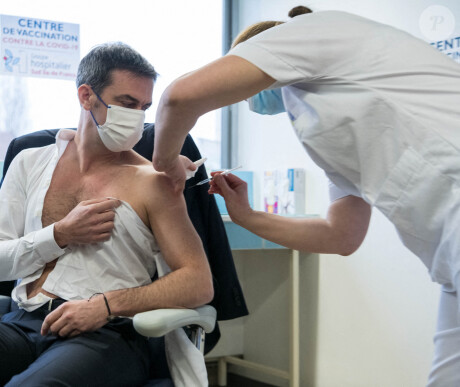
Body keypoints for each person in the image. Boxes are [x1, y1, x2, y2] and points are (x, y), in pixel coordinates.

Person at [152, 5, 460, 386]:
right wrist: (246, 215)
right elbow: (341, 235)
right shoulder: (324, 120)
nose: (245, 100)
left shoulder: (315, 31)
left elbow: (178, 99)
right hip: (448, 261)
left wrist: (164, 166)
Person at [0, 42, 213, 386]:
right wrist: (60, 235)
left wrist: (105, 305)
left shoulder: (154, 182)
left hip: (104, 336)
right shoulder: (30, 162)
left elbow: (198, 282)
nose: (138, 119)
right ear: (86, 96)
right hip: (23, 328)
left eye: (144, 107)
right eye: (127, 104)